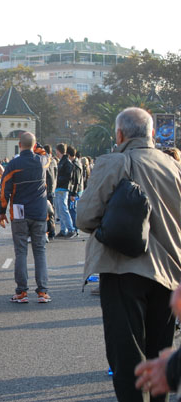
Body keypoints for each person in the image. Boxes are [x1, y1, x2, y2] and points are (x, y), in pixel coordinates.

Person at [77, 107, 181, 402]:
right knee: (161, 359)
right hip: (170, 274)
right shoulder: (174, 165)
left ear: (119, 134)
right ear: (151, 134)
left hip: (124, 267)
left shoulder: (115, 161)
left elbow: (84, 217)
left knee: (127, 360)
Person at [0, 132, 51, 304]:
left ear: (19, 145)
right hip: (39, 212)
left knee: (21, 251)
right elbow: (46, 154)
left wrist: (1, 211)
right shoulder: (42, 161)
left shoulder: (13, 164)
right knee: (40, 251)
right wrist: (37, 146)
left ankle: (22, 292)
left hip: (19, 211)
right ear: (34, 145)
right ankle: (42, 292)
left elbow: (4, 188)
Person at [54, 143, 75, 238]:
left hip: (63, 188)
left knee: (63, 209)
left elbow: (68, 177)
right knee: (60, 210)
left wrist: (58, 179)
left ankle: (71, 229)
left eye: (56, 151)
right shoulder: (63, 161)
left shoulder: (66, 162)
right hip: (60, 188)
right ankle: (63, 230)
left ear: (59, 150)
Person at [43, 144, 58, 240]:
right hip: (53, 189)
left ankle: (48, 231)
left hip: (47, 190)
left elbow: (46, 176)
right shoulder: (54, 161)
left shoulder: (46, 162)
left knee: (46, 212)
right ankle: (52, 231)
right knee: (51, 212)